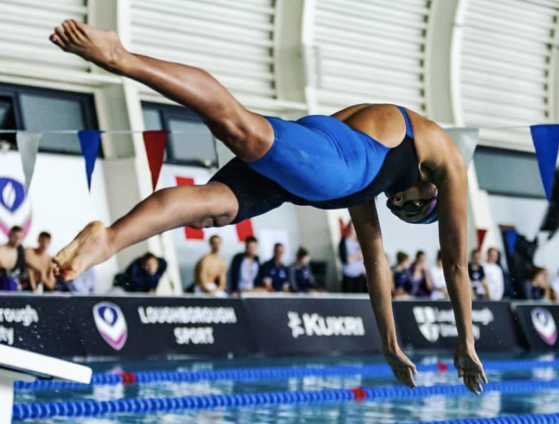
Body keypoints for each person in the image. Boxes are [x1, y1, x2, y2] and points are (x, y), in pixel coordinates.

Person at [50, 20, 485, 392]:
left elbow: (376, 264)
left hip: (316, 166)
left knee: (213, 208)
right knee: (237, 125)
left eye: (399, 209)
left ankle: (110, 238)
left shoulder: (372, 182)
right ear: (433, 193)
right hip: (326, 162)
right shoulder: (445, 157)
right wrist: (466, 340)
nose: (397, 205)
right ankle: (121, 56)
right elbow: (455, 264)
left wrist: (389, 344)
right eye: (411, 210)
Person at [339, 221, 366, 293]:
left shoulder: (360, 242)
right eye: (351, 227)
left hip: (360, 276)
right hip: (348, 276)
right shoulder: (344, 241)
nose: (352, 230)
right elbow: (345, 259)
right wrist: (358, 255)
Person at [0, 226, 25, 292]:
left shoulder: (20, 250)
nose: (17, 240)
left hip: (16, 281)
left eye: (20, 238)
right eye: (15, 237)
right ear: (9, 236)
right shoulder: (1, 250)